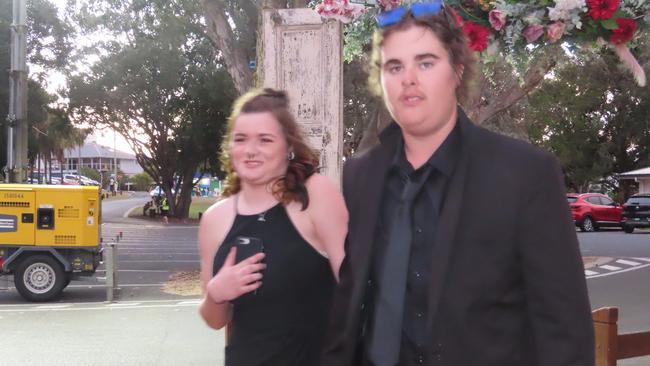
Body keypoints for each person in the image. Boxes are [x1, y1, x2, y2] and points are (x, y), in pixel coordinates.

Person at [322, 2, 594, 366]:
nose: (408, 79)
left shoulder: (526, 174)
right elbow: (352, 301)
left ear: (457, 71)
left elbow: (564, 330)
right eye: (394, 66)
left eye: (426, 62)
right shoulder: (360, 175)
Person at [198, 88, 348, 365]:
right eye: (240, 139)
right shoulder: (214, 219)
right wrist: (216, 293)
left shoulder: (315, 195)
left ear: (288, 147)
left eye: (265, 140)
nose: (250, 151)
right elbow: (215, 320)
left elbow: (354, 288)